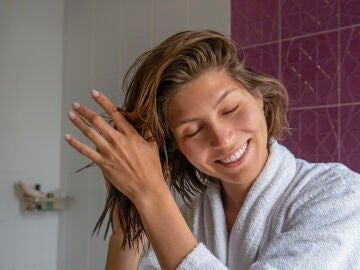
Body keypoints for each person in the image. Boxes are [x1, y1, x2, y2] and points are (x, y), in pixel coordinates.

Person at [64, 30, 360, 269]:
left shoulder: (339, 194)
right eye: (192, 130)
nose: (221, 138)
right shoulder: (192, 220)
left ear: (260, 99)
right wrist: (126, 233)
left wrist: (151, 194)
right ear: (176, 148)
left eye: (230, 109)